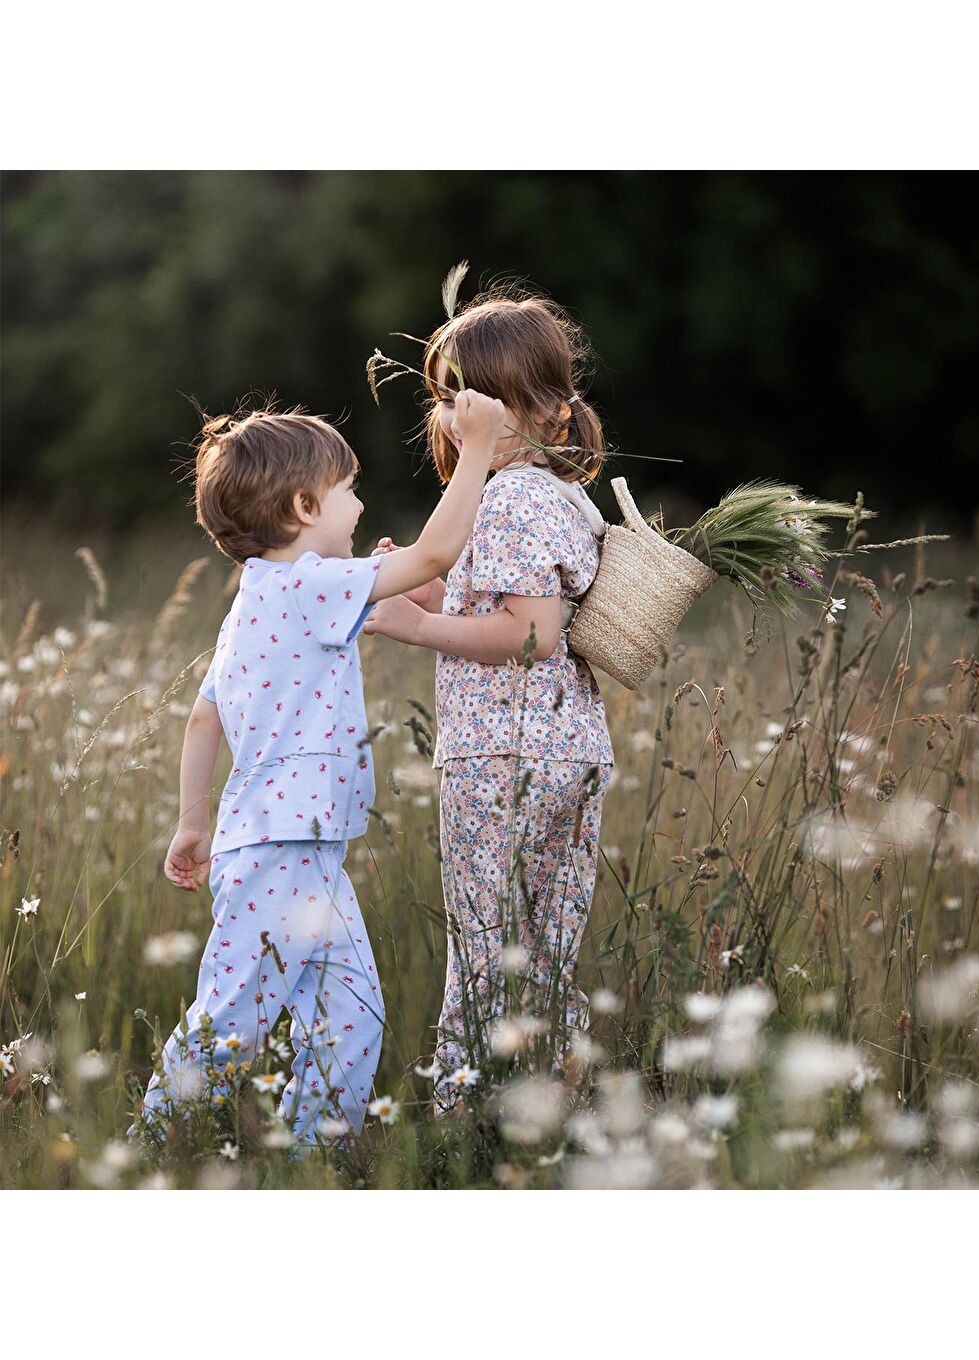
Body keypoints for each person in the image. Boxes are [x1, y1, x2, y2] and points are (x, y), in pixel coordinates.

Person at [132, 392, 504, 1146]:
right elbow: (433, 555)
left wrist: (194, 820)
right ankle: (148, 1146)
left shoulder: (258, 601)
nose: (361, 503)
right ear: (304, 506)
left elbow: (204, 718)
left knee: (352, 1016)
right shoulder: (306, 587)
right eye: (349, 489)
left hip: (302, 853)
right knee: (232, 1018)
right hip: (280, 855)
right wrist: (478, 451)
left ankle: (310, 1158)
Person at [363, 290, 614, 1108]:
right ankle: (555, 1110)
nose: (456, 418)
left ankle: (465, 1127)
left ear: (541, 409)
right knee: (542, 960)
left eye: (472, 401)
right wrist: (437, 601)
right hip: (567, 752)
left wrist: (411, 626)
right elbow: (505, 611)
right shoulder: (561, 496)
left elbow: (527, 634)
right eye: (445, 400)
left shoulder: (508, 499)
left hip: (502, 757)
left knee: (482, 955)